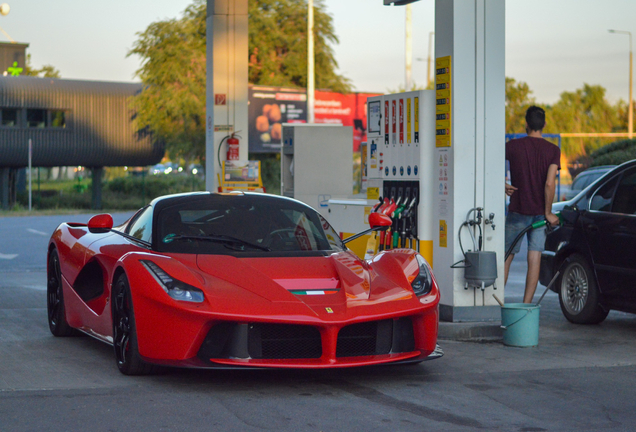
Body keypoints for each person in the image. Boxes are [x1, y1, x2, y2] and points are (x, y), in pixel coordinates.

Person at [504, 106, 560, 303]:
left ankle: (495, 305)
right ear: (544, 125)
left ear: (526, 124)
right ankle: (526, 306)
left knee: (507, 257)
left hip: (517, 210)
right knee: (534, 258)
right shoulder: (553, 150)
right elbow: (549, 183)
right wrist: (548, 212)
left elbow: (489, 162)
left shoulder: (513, 146)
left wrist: (502, 184)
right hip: (539, 215)